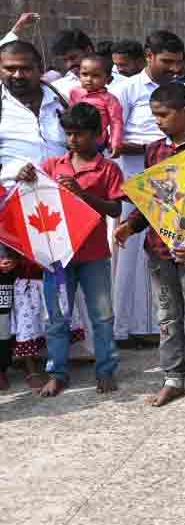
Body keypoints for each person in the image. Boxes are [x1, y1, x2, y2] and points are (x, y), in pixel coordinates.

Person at [113, 83, 185, 408]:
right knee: (166, 318)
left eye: (163, 115)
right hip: (159, 251)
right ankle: (172, 379)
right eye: (154, 115)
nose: (158, 121)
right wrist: (130, 226)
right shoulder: (155, 151)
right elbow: (152, 201)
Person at [16, 104, 125, 396]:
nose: (73, 140)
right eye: (69, 134)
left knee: (102, 316)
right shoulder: (53, 165)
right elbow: (30, 193)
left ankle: (105, 369)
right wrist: (25, 175)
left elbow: (116, 208)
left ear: (97, 135)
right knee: (57, 318)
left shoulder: (108, 168)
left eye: (80, 134)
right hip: (57, 256)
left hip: (94, 254)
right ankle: (57, 372)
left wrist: (83, 195)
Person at [0, 39, 69, 386]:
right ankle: (22, 360)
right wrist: (12, 172)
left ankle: (55, 351)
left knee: (53, 281)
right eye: (9, 68)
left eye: (24, 68)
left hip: (55, 207)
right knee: (14, 286)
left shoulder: (59, 99)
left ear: (39, 68)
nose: (17, 75)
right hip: (9, 207)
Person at [112, 31, 185, 346]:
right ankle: (121, 328)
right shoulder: (125, 90)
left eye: (178, 63)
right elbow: (113, 144)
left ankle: (158, 327)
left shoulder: (181, 91)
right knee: (129, 255)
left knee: (163, 251)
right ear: (149, 56)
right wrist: (153, 148)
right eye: (167, 62)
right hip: (133, 177)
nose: (173, 69)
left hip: (170, 179)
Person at [67, 54, 125, 156]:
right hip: (75, 140)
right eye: (85, 74)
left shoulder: (110, 99)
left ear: (108, 79)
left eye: (95, 76)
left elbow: (116, 122)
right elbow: (70, 116)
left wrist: (116, 143)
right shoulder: (74, 92)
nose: (89, 79)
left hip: (96, 143)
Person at [48, 29, 95, 98]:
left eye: (73, 58)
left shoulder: (113, 82)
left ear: (88, 51)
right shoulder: (57, 89)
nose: (69, 65)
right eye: (64, 60)